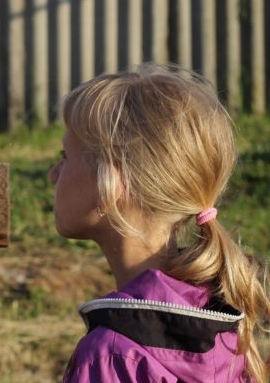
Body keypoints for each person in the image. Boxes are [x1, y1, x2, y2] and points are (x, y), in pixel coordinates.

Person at [49, 63, 270, 382]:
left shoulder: (111, 357)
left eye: (65, 156)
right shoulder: (223, 327)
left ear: (110, 183)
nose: (53, 173)